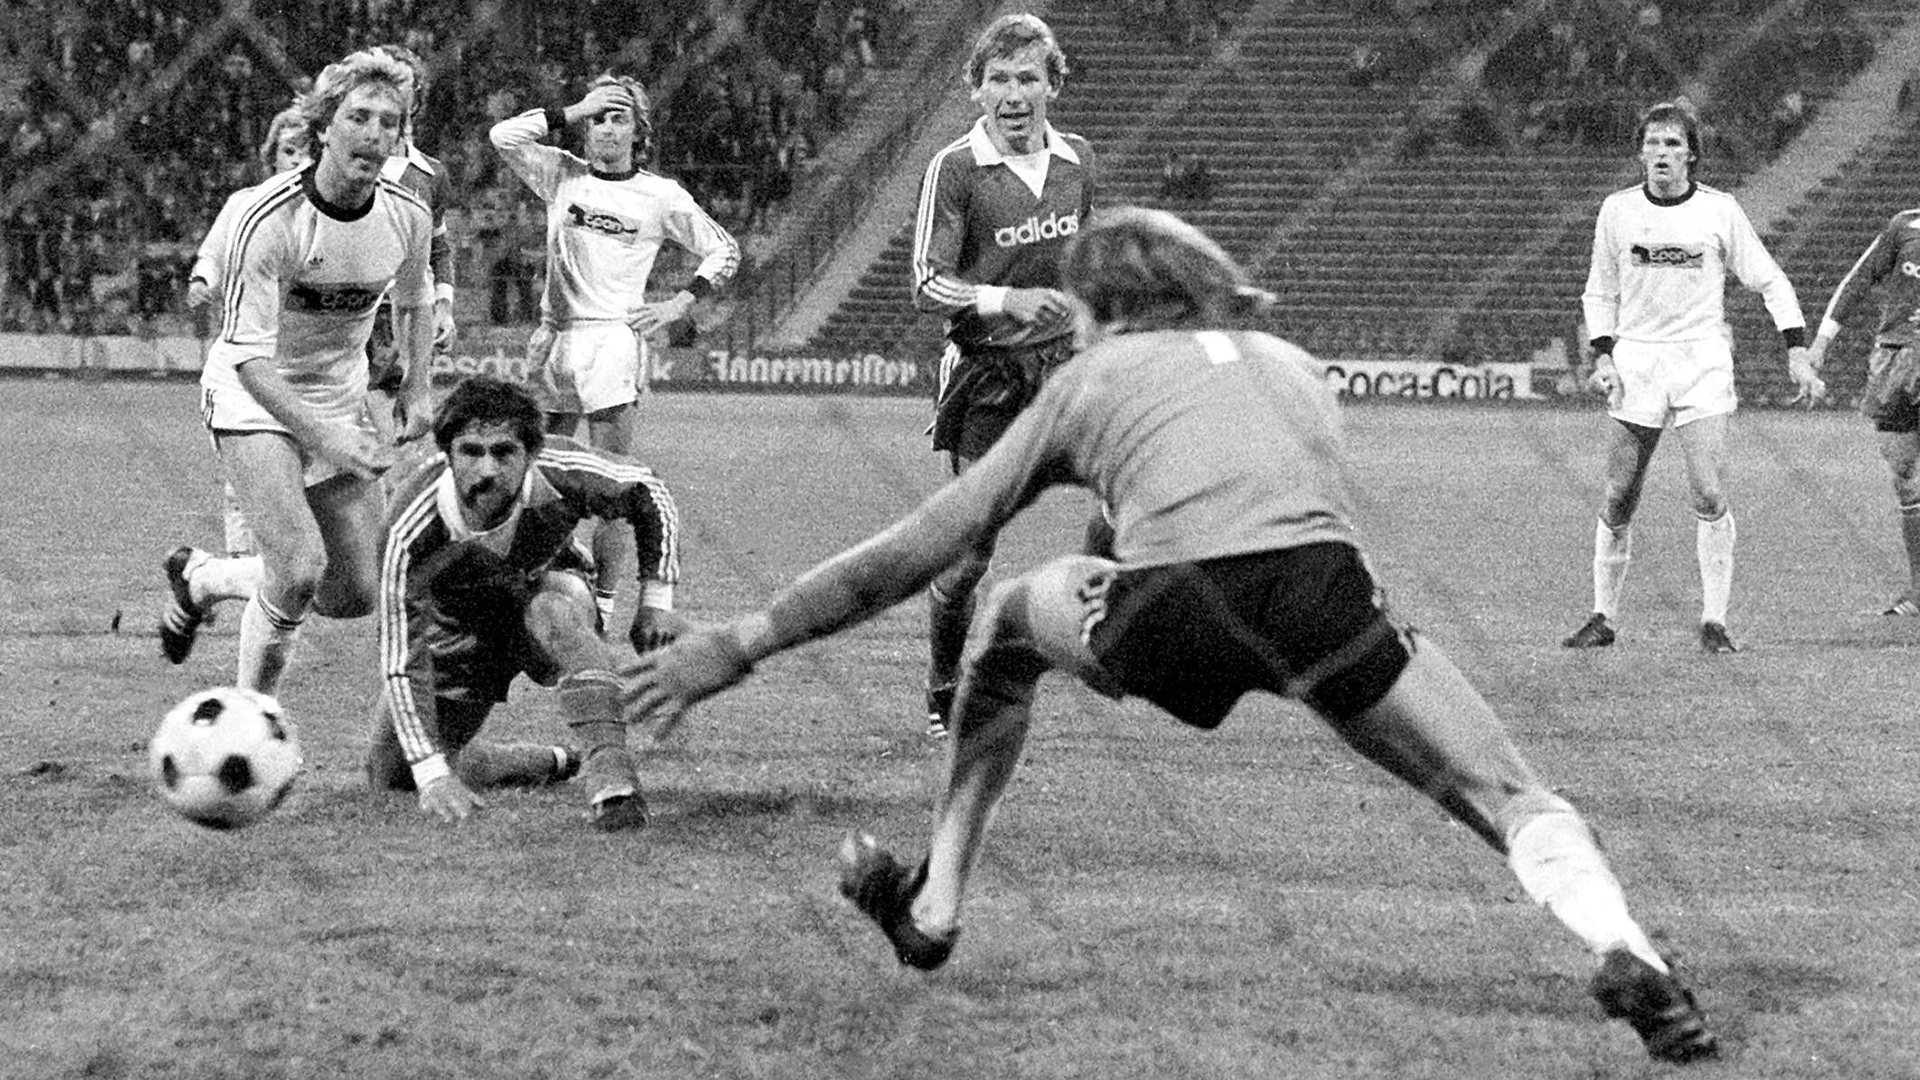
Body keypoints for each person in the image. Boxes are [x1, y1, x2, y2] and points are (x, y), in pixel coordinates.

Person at [619, 207, 1720, 1065]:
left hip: (1174, 610)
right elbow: (1224, 502)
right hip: (1326, 603)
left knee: (1005, 615)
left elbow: (925, 544)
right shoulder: (1293, 367)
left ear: (1098, 310)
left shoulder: (1090, 376)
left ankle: (935, 904)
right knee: (1509, 793)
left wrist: (745, 641)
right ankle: (1628, 951)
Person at [158, 49, 436, 703]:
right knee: (299, 565)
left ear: (400, 137)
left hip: (334, 399)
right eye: (358, 116)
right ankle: (251, 714)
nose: (373, 132)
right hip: (252, 395)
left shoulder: (407, 216)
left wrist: (420, 389)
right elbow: (249, 359)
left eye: (388, 122)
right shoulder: (268, 217)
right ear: (324, 127)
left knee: (354, 592)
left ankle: (203, 579)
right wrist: (333, 439)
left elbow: (416, 300)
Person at [369, 376, 685, 829]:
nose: (487, 470)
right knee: (394, 775)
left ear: (531, 454)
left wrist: (655, 600)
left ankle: (613, 781)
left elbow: (647, 490)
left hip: (546, 595)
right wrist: (432, 772)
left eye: (504, 452)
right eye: (471, 451)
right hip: (462, 631)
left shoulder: (561, 467)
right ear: (447, 454)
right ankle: (539, 761)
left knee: (555, 610)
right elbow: (402, 658)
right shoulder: (409, 529)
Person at [1564, 101, 1822, 654]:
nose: (1662, 153)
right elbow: (1599, 289)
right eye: (1653, 144)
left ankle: (1714, 621)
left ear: (1692, 155)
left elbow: (1770, 282)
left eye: (1673, 144)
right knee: (1618, 497)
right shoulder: (1617, 211)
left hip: (1702, 362)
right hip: (1637, 363)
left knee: (1708, 490)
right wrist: (1604, 356)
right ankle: (1602, 616)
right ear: (1640, 153)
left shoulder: (1719, 211)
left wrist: (1795, 350)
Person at [490, 71, 739, 629]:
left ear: (637, 132)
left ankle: (601, 604)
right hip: (554, 338)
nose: (605, 128)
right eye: (599, 118)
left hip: (610, 340)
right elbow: (503, 136)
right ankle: (538, 576)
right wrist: (575, 108)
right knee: (535, 471)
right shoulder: (561, 175)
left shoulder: (658, 196)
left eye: (617, 117)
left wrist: (677, 305)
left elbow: (723, 249)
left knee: (611, 483)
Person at [912, 12, 1096, 736]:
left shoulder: (1079, 159)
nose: (1013, 93)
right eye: (998, 79)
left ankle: (1103, 639)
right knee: (967, 560)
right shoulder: (955, 168)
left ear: (1052, 85)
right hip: (989, 375)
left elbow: (1083, 264)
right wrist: (1002, 298)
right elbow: (928, 283)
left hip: (1065, 368)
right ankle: (945, 681)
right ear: (977, 90)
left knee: (1130, 494)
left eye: (1027, 77)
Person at [184, 103, 315, 565]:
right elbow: (215, 252)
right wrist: (203, 281)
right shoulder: (246, 204)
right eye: (288, 151)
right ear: (272, 157)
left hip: (317, 368)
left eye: (307, 150)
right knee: (247, 480)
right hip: (254, 366)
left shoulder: (339, 212)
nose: (298, 161)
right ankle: (242, 564)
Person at [1805, 201, 1920, 614]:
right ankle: (1918, 592)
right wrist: (1821, 343)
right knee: (1905, 475)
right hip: (1896, 357)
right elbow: (1858, 280)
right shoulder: (1904, 225)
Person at [365, 43, 461, 440]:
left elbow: (439, 248)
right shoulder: (348, 161)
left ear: (415, 98)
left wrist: (444, 306)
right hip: (352, 306)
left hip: (405, 313)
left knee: (400, 433)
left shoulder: (431, 175)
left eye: (400, 82)